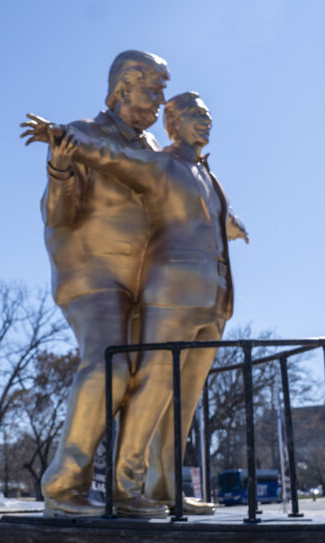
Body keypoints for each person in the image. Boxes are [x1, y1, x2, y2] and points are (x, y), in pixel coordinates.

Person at [23, 92, 248, 515]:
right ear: (174, 125)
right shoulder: (161, 163)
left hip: (214, 298)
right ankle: (123, 488)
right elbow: (111, 157)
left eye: (208, 114)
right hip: (166, 293)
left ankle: (164, 487)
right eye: (196, 115)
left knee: (183, 398)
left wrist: (233, 226)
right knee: (151, 384)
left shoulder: (209, 175)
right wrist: (61, 138)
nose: (207, 121)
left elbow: (213, 216)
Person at [20, 50, 171, 518]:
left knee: (152, 374)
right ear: (124, 87)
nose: (161, 100)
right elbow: (57, 215)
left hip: (145, 282)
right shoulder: (81, 134)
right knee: (108, 363)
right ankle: (64, 485)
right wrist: (60, 169)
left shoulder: (153, 150)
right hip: (92, 276)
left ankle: (130, 489)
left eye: (164, 89)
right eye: (154, 88)